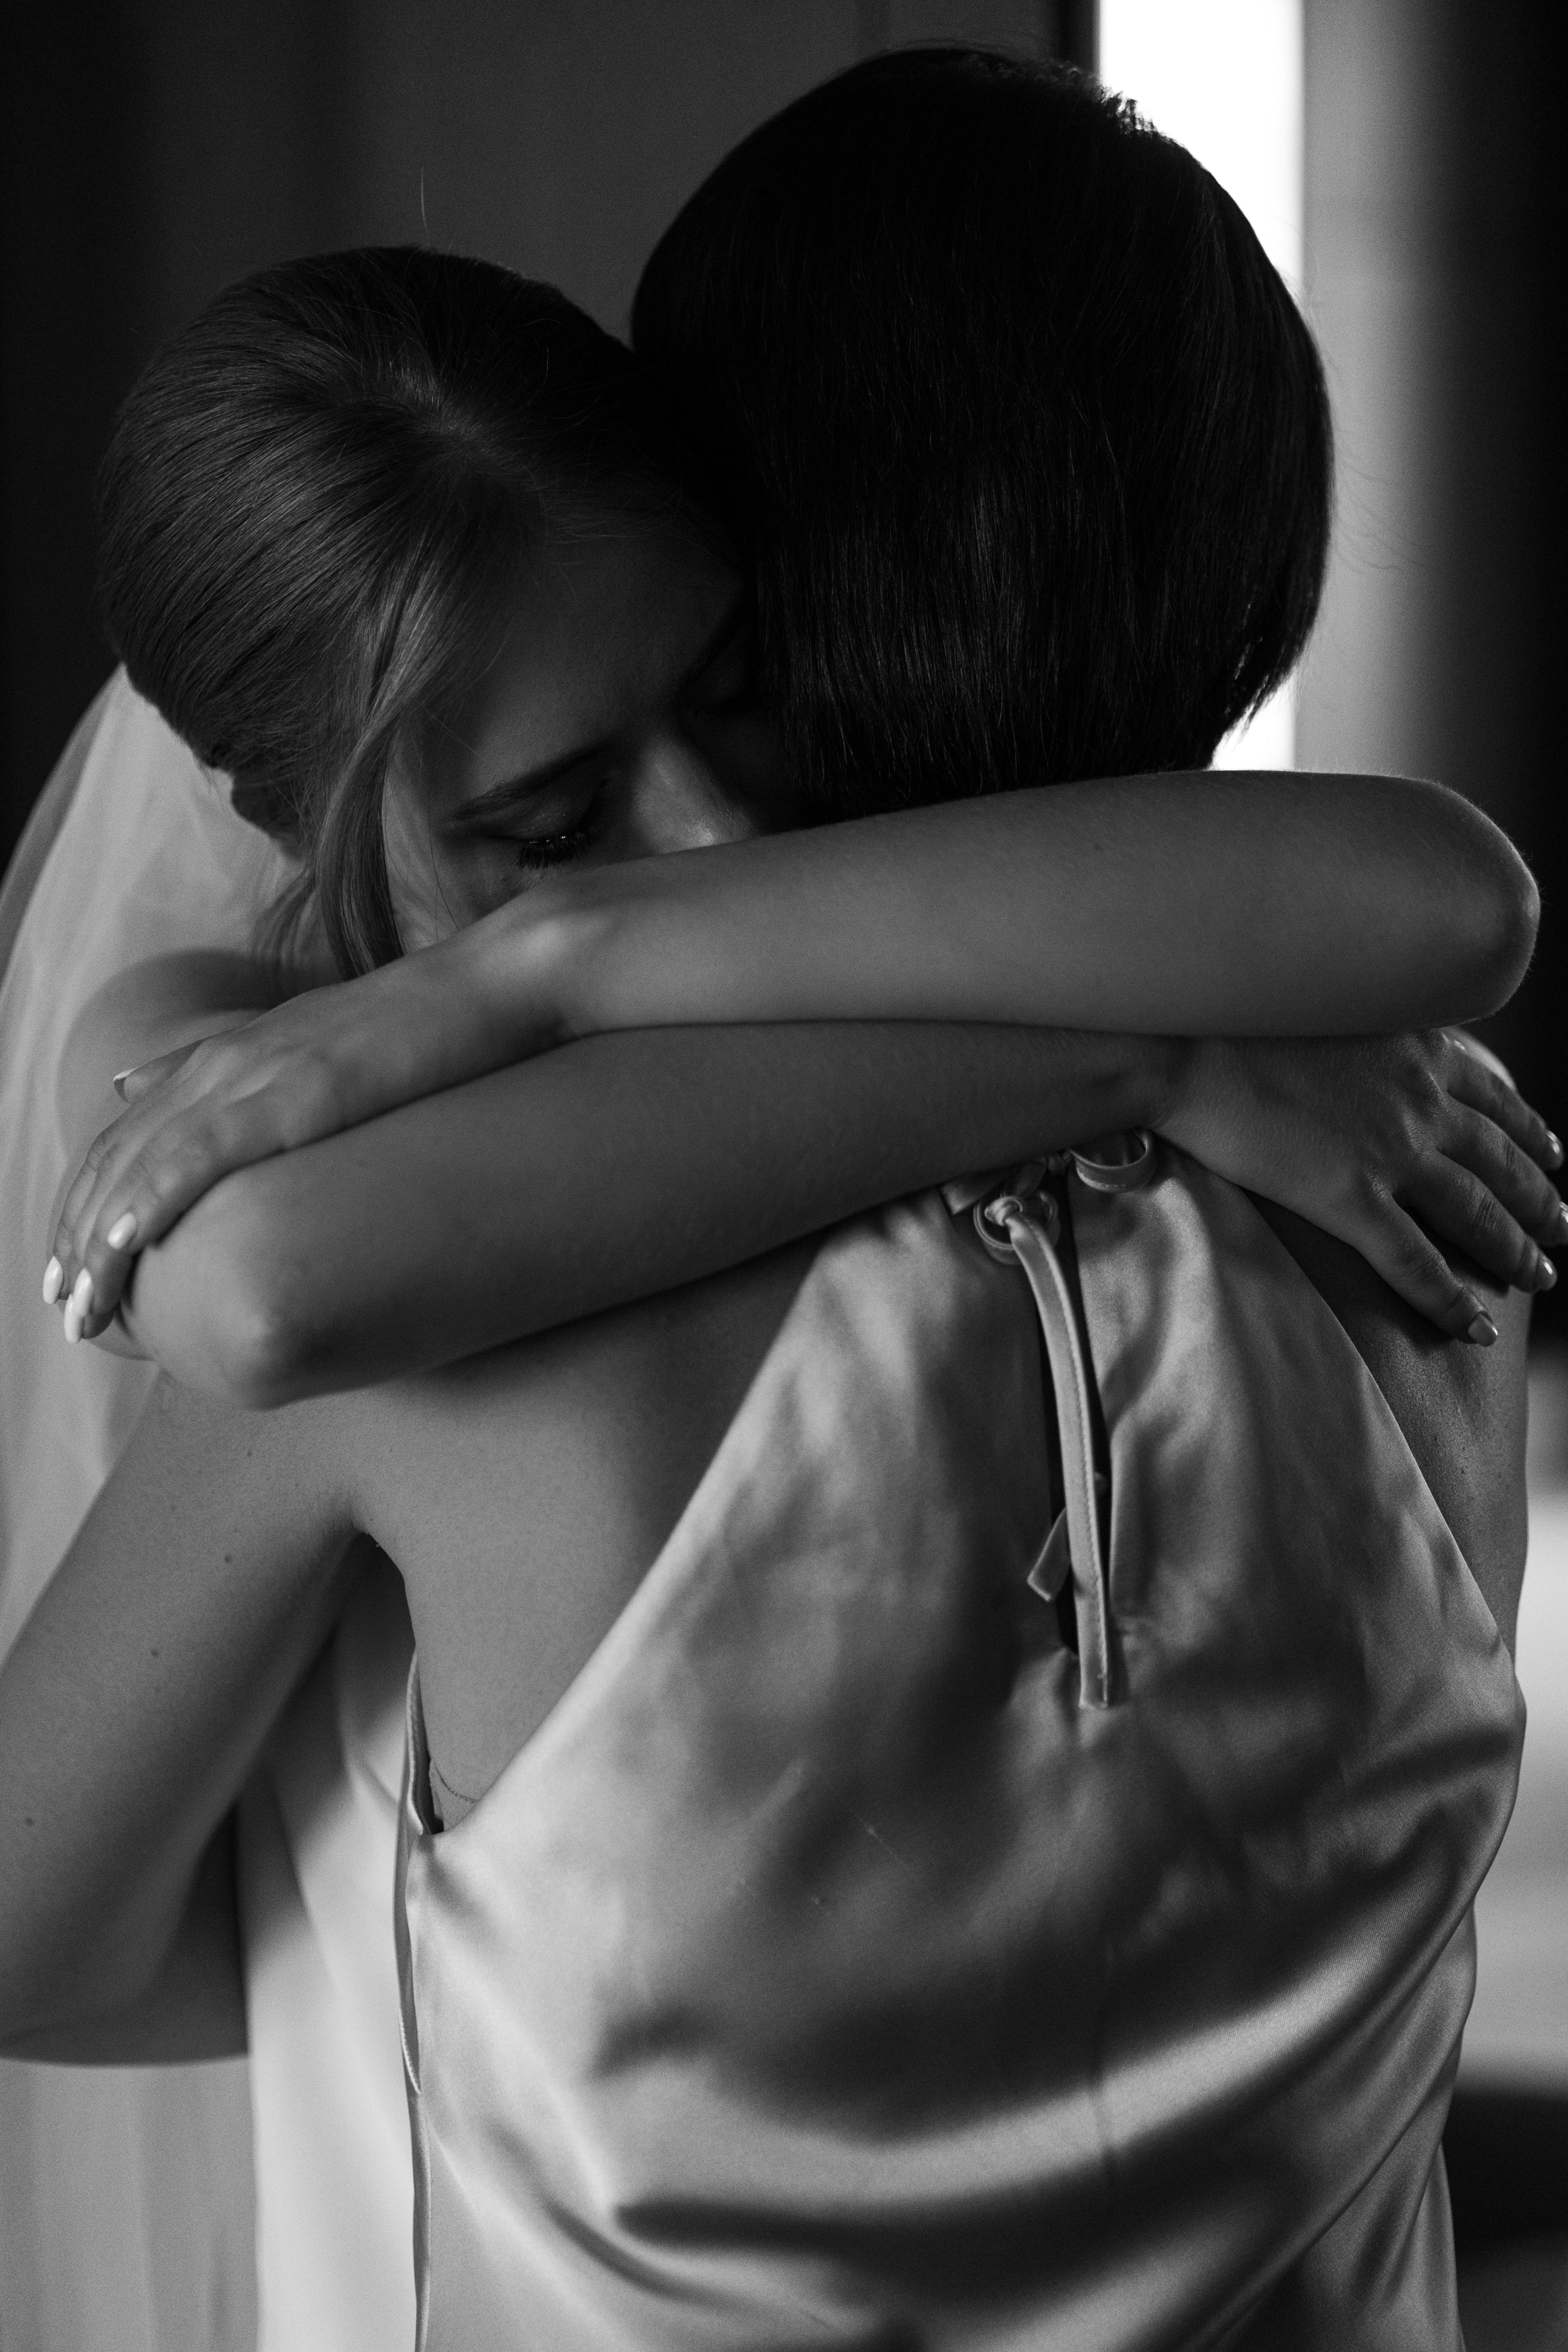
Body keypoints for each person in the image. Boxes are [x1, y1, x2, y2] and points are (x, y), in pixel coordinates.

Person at [3, 53, 1554, 2346]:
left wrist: (539, 959)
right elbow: (256, 1282)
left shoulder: (451, 1290)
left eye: (726, 689)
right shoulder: (1434, 1194)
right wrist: (1161, 1047)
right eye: (556, 819)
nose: (704, 834)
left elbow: (58, 1936)